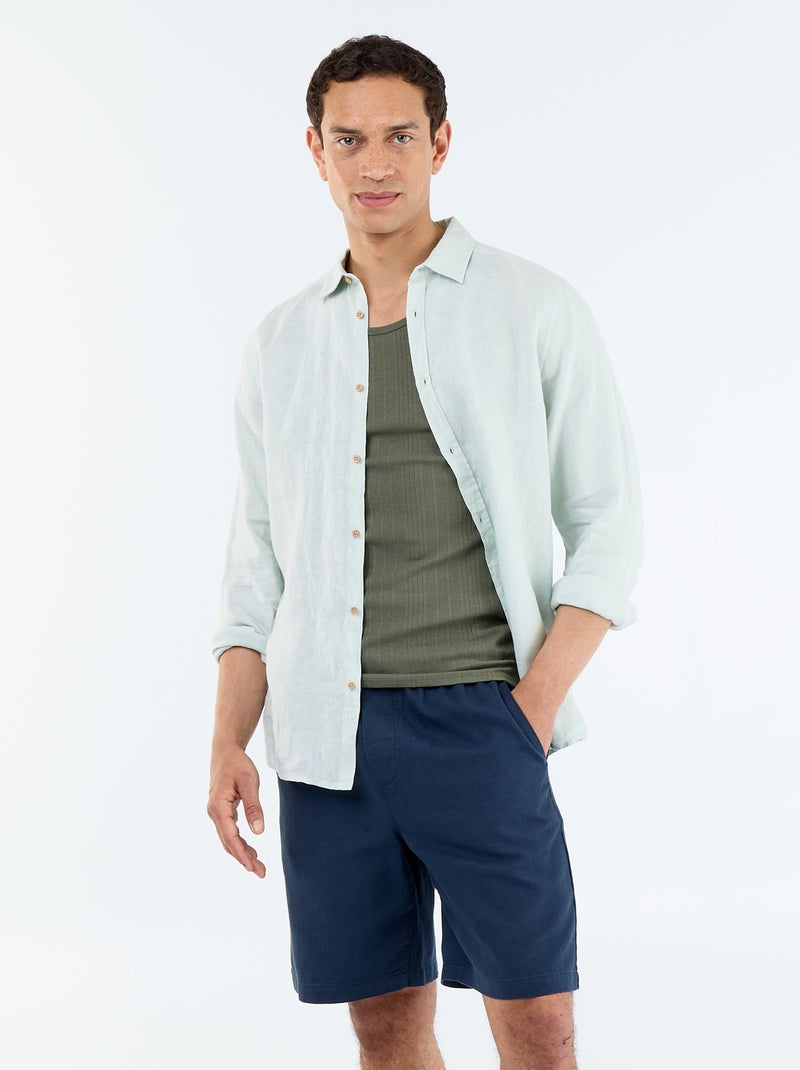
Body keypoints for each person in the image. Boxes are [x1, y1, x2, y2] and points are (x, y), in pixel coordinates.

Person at [207, 34, 643, 1070]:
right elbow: (255, 566)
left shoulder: (531, 305)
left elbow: (608, 524)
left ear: (440, 143)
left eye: (400, 136)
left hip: (482, 719)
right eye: (349, 139)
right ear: (315, 150)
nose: (375, 163)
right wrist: (228, 738)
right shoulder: (280, 342)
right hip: (326, 737)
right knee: (385, 1025)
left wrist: (529, 708)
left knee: (537, 1025)